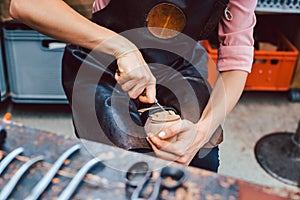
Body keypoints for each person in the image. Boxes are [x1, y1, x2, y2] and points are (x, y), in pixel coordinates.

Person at [9, 0, 257, 172]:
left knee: (201, 161)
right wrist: (120, 47)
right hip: (102, 59)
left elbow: (237, 60)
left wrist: (201, 133)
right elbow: (26, 5)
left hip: (178, 63)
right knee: (126, 167)